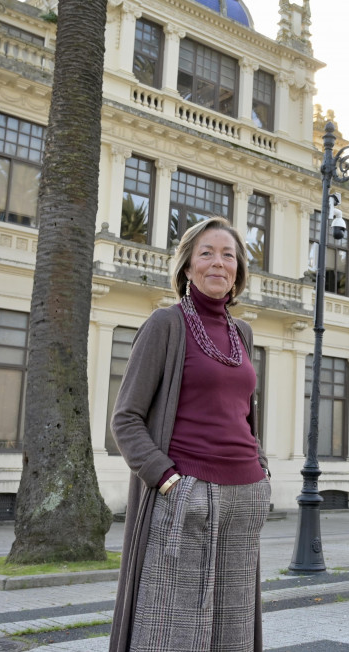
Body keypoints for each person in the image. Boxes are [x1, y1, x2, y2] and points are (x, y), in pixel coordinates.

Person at [109, 217, 272, 652]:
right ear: (186, 267)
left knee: (232, 632)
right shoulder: (166, 324)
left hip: (245, 495)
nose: (218, 263)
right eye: (206, 253)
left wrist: (261, 469)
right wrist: (165, 478)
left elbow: (241, 412)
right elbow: (126, 418)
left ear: (238, 270)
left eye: (228, 255)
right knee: (168, 631)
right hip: (185, 493)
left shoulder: (242, 333)